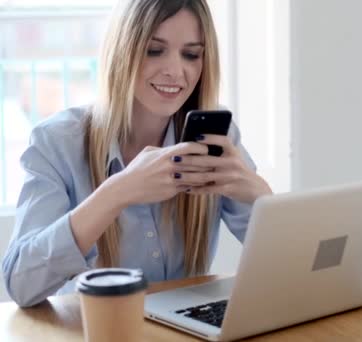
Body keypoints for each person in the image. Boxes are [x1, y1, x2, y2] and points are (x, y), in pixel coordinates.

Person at [2, 0, 272, 307]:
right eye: (154, 50)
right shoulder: (57, 143)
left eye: (191, 54)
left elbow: (289, 265)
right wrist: (116, 193)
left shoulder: (215, 138)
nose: (175, 71)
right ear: (122, 50)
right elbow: (20, 284)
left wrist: (261, 195)